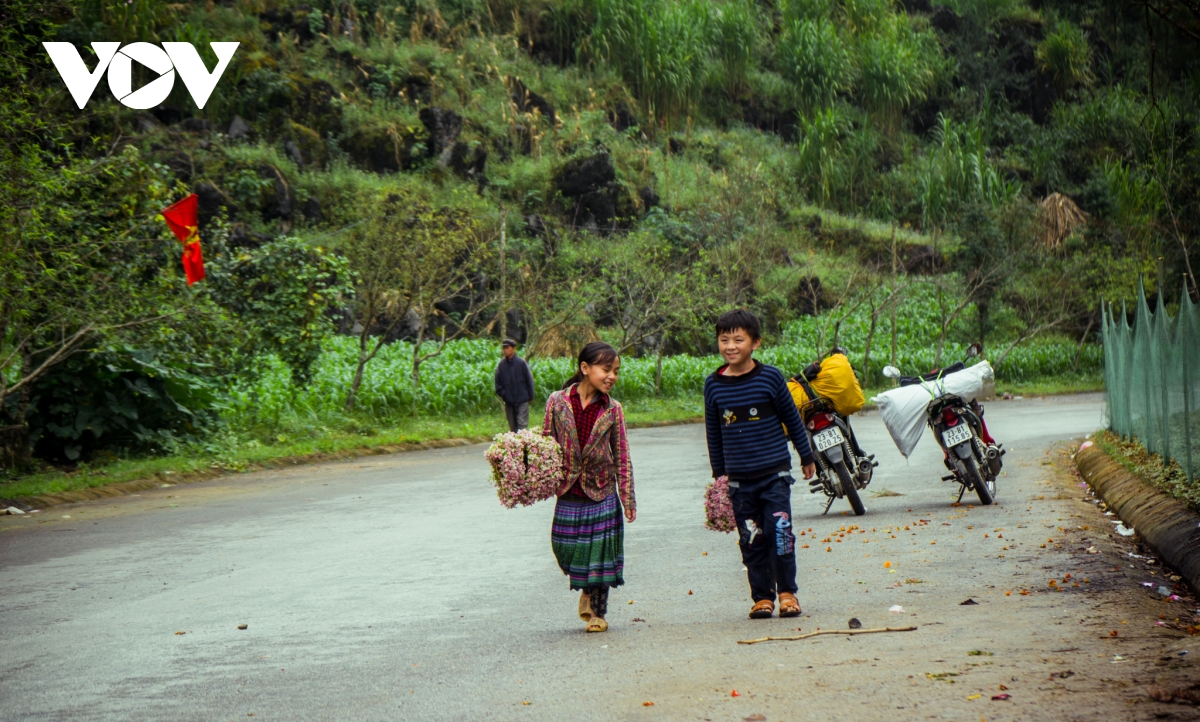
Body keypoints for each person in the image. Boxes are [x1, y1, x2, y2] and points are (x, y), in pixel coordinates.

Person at [703, 309, 816, 620]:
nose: (730, 346)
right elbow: (713, 432)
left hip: (775, 474)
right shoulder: (713, 385)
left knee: (780, 533)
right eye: (724, 339)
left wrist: (806, 456)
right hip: (739, 481)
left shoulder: (770, 377)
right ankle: (762, 597)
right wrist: (720, 478)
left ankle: (787, 593)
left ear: (755, 343)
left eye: (738, 339)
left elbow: (792, 419)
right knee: (751, 540)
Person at [542, 341, 635, 633]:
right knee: (564, 548)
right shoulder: (557, 402)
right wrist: (535, 478)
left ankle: (597, 611)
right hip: (568, 489)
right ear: (585, 368)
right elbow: (545, 445)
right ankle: (583, 585)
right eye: (606, 370)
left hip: (602, 491)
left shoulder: (613, 409)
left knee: (600, 553)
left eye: (616, 372)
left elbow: (622, 455)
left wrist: (628, 498)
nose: (612, 377)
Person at [494, 339, 535, 432]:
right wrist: (505, 395)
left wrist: (530, 396)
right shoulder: (501, 366)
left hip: (522, 400)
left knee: (522, 427)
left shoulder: (521, 363)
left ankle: (522, 445)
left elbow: (529, 380)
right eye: (504, 348)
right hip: (509, 402)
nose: (505, 350)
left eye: (507, 348)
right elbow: (498, 384)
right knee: (513, 428)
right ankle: (514, 446)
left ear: (514, 349)